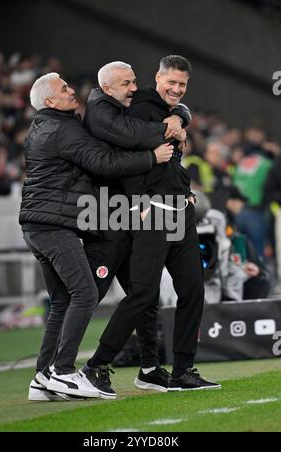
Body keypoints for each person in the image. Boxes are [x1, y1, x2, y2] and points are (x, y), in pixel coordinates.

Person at [19, 72, 173, 400]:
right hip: (53, 226)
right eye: (64, 89)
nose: (71, 91)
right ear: (49, 101)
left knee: (61, 301)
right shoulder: (64, 129)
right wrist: (151, 157)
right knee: (85, 294)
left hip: (35, 225)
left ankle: (41, 377)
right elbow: (103, 162)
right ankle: (63, 373)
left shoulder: (40, 128)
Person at [83, 56, 221, 397]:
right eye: (170, 82)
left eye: (182, 85)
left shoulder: (166, 108)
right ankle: (95, 366)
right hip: (154, 213)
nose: (176, 89)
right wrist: (139, 201)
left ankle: (183, 371)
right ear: (157, 78)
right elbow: (127, 151)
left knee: (192, 289)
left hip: (179, 211)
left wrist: (179, 117)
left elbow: (169, 158)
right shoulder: (142, 105)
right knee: (143, 293)